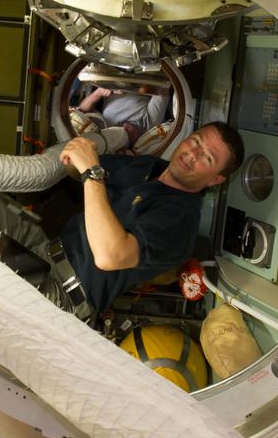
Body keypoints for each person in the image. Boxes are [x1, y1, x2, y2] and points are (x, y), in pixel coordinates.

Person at [48, 121, 244, 320]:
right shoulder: (150, 165)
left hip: (63, 295)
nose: (194, 153)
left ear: (214, 180)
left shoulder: (180, 222)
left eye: (208, 157)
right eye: (196, 141)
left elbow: (110, 256)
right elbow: (78, 169)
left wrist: (92, 173)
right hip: (48, 253)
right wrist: (77, 155)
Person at [72, 84, 171, 146]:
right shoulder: (149, 123)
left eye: (126, 138)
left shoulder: (109, 127)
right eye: (130, 140)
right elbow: (164, 87)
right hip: (139, 79)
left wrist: (99, 92)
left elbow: (82, 111)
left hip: (110, 80)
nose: (127, 132)